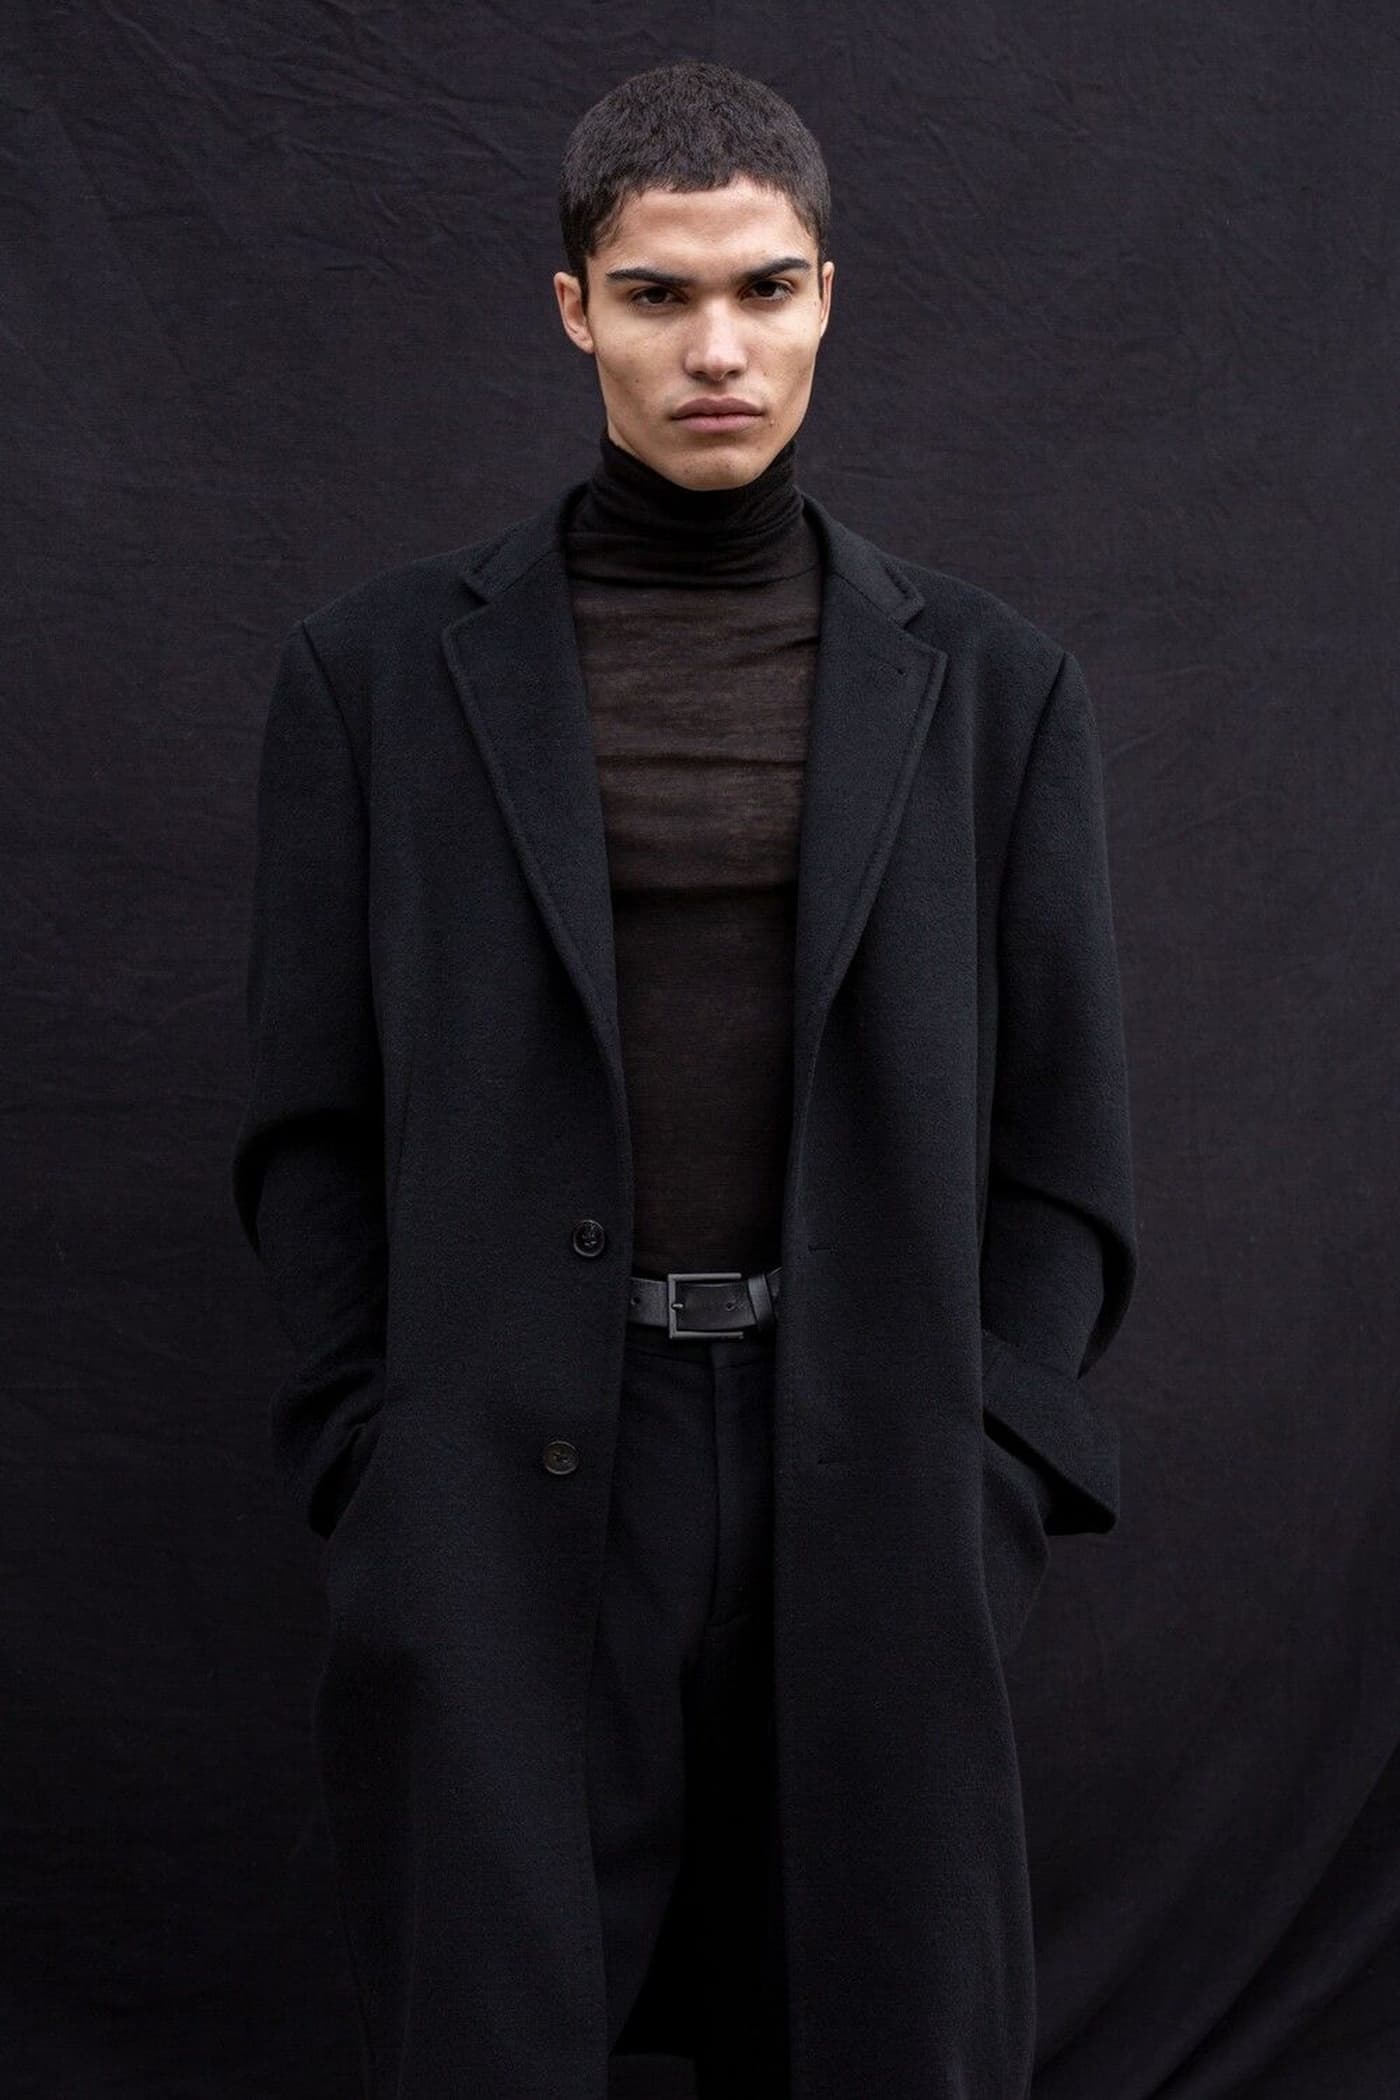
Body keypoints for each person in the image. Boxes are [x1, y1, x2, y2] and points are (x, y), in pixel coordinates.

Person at [232, 56, 1138, 2100]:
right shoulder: (375, 675)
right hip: (507, 1467)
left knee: (879, 2026)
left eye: (763, 289)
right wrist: (377, 1453)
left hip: (875, 1450)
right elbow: (307, 1122)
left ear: (827, 297)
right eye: (658, 295)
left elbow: (1068, 1144)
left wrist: (988, 1457)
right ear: (576, 309)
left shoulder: (996, 689)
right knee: (494, 2026)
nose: (715, 349)